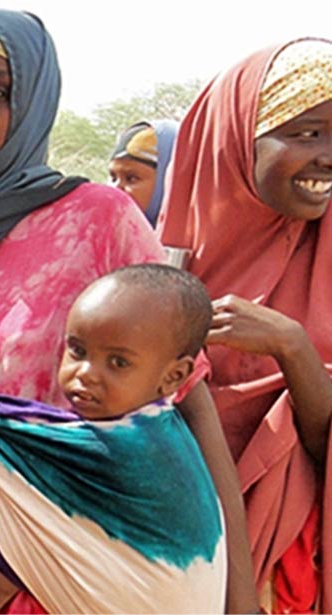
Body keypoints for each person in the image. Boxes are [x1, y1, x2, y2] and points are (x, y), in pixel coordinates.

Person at [0, 9, 257, 613]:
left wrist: (240, 599)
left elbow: (190, 407)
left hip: (51, 582)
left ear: (37, 103)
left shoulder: (97, 220)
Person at [159, 37, 332, 614]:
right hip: (164, 559)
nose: (328, 154)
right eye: (305, 133)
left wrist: (292, 346)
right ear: (234, 142)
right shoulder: (155, 278)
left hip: (289, 574)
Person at [0, 264, 226, 614]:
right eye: (78, 351)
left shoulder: (135, 451)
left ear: (173, 376)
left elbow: (21, 501)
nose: (85, 374)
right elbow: (29, 526)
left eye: (117, 362)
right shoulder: (155, 427)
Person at [108, 119, 179, 226]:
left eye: (131, 178)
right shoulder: (99, 236)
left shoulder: (201, 240)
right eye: (113, 178)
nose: (115, 190)